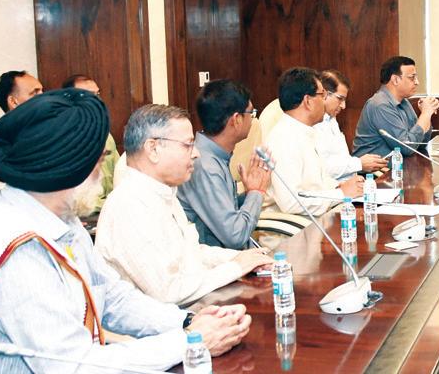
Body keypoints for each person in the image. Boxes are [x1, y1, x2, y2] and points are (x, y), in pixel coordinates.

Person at [0, 90, 251, 373]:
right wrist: (189, 341)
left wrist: (186, 322)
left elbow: (112, 296)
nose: (102, 172)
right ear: (67, 167)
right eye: (98, 160)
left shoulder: (60, 217)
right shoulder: (16, 247)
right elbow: (73, 367)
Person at [96, 104, 274, 305]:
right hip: (163, 320)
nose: (196, 153)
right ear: (153, 149)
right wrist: (236, 268)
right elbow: (167, 292)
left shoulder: (163, 193)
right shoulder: (130, 206)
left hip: (190, 309)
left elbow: (190, 255)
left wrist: (241, 259)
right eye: (188, 145)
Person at [177, 79, 270, 249]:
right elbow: (235, 236)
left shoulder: (214, 155)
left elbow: (224, 211)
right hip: (216, 261)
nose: (253, 120)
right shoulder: (205, 166)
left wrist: (249, 193)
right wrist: (256, 193)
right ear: (236, 119)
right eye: (251, 113)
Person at [264, 67, 363, 216]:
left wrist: (341, 186)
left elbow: (318, 181)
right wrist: (341, 193)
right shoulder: (284, 139)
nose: (325, 101)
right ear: (307, 101)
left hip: (318, 216)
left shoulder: (304, 131)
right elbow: (292, 203)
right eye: (322, 95)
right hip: (295, 226)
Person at [353, 56, 439, 157]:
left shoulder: (404, 102)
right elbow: (406, 147)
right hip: (376, 167)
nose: (417, 82)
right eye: (412, 78)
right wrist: (425, 114)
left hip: (398, 163)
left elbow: (420, 144)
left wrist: (426, 115)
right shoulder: (380, 105)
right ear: (395, 80)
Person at [62, 74, 120, 217]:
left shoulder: (106, 135)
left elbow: (120, 174)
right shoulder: (64, 138)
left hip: (111, 210)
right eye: (89, 95)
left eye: (97, 94)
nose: (97, 101)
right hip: (83, 213)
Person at [314, 69, 387, 178]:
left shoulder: (331, 118)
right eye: (340, 99)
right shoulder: (312, 123)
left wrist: (368, 164)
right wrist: (359, 164)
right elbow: (321, 170)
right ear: (324, 94)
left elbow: (341, 159)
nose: (343, 106)